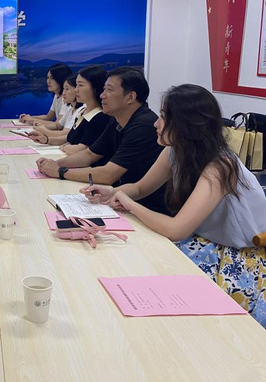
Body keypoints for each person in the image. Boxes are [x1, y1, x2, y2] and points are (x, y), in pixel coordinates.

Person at [81, 84, 266, 327]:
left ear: (187, 125)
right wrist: (113, 192)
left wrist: (128, 203)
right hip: (206, 242)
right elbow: (140, 188)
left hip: (236, 257)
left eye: (164, 117)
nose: (156, 123)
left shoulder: (221, 167)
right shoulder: (175, 151)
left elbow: (176, 229)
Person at [36, 67, 166, 213]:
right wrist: (54, 164)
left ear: (130, 97)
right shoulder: (116, 118)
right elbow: (89, 154)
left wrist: (60, 172)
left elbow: (109, 174)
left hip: (145, 207)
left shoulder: (143, 125)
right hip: (120, 199)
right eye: (103, 89)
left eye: (109, 90)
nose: (102, 95)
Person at [29, 65, 110, 156]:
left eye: (80, 85)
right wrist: (46, 140)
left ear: (96, 87)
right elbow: (69, 137)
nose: (76, 90)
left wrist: (65, 147)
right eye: (76, 85)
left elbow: (81, 149)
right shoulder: (83, 111)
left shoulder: (100, 117)